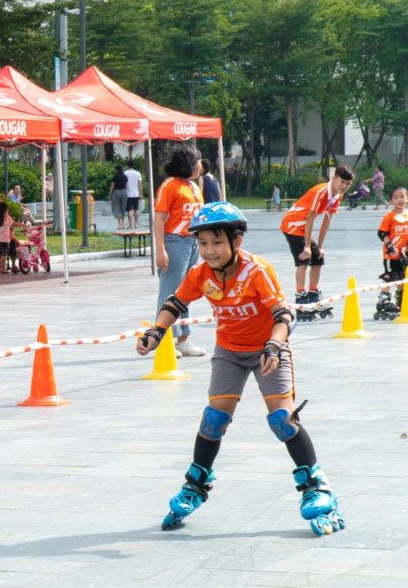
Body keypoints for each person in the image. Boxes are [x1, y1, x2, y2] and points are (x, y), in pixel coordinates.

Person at [137, 202, 344, 536]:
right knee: (213, 419)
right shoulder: (201, 274)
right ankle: (196, 483)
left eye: (217, 243)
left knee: (282, 420)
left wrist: (274, 345)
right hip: (230, 352)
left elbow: (284, 316)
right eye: (202, 244)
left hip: (268, 351)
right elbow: (175, 303)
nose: (209, 251)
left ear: (237, 241)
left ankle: (316, 486)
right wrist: (155, 332)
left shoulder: (256, 270)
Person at [279, 166, 354, 316]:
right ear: (334, 178)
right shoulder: (321, 192)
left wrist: (320, 246)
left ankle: (313, 293)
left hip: (304, 227)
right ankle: (301, 296)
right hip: (293, 225)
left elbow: (327, 220)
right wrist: (307, 246)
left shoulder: (337, 196)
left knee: (318, 258)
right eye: (342, 182)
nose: (344, 186)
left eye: (348, 184)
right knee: (303, 260)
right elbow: (310, 218)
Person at [153, 145, 206, 358]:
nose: (201, 165)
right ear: (189, 163)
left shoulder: (193, 186)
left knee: (187, 291)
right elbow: (159, 218)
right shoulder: (170, 186)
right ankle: (164, 339)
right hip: (174, 242)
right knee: (170, 292)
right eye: (198, 160)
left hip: (192, 242)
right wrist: (160, 249)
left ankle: (184, 338)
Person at [374, 187, 408, 320]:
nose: (399, 199)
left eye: (402, 196)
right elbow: (382, 233)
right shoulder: (389, 216)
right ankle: (383, 300)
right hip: (391, 255)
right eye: (396, 197)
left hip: (404, 255)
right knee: (390, 275)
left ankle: (401, 298)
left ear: (407, 198)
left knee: (402, 276)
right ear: (391, 201)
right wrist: (389, 245)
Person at [0, 201, 15, 274]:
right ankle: (2, 269)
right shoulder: (8, 218)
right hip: (4, 240)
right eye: (7, 209)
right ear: (5, 211)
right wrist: (22, 225)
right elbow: (13, 224)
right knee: (3, 255)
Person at [124, 159, 143, 229]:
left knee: (129, 210)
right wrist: (140, 194)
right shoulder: (138, 173)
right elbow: (140, 185)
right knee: (136, 209)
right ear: (133, 165)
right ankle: (136, 224)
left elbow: (124, 184)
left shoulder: (125, 173)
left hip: (128, 194)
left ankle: (130, 224)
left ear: (127, 165)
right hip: (136, 194)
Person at [109, 164, 128, 230]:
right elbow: (126, 185)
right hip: (124, 192)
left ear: (116, 170)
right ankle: (123, 224)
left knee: (116, 207)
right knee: (123, 207)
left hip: (116, 192)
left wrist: (110, 194)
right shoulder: (125, 177)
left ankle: (120, 225)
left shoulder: (115, 176)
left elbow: (112, 186)